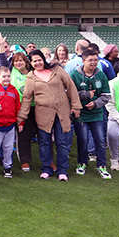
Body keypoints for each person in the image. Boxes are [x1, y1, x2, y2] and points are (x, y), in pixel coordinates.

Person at [17, 50, 81, 181]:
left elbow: (70, 85)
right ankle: (47, 168)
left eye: (39, 60)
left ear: (43, 59)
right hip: (43, 114)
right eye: (34, 61)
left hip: (62, 112)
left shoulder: (56, 69)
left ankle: (62, 170)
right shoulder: (31, 77)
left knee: (62, 142)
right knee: (44, 143)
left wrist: (75, 106)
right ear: (31, 62)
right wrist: (21, 117)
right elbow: (27, 98)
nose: (37, 63)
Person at [69, 49, 112, 179]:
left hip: (97, 113)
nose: (94, 62)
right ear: (83, 61)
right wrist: (85, 95)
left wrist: (96, 103)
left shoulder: (101, 75)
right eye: (90, 60)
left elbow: (106, 95)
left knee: (99, 139)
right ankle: (82, 163)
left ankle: (102, 166)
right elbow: (69, 94)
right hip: (80, 113)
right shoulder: (74, 75)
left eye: (95, 60)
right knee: (83, 140)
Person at [8, 52, 35, 172]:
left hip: (36, 107)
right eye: (16, 61)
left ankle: (48, 161)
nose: (18, 63)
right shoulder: (12, 71)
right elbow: (3, 59)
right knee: (23, 134)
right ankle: (25, 161)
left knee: (43, 135)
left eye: (21, 60)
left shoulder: (33, 72)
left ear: (26, 61)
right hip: (19, 108)